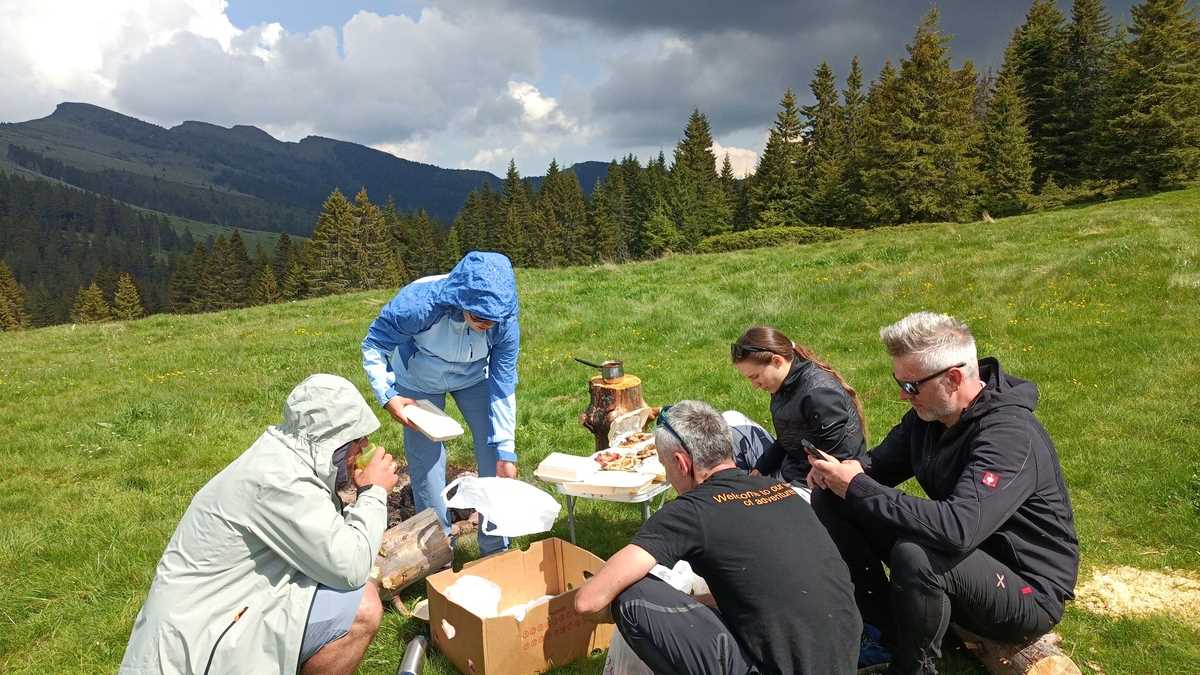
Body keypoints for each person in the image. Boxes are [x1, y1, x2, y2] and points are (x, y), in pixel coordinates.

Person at [808, 312, 1079, 675]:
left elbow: (958, 527)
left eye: (911, 386)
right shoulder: (928, 418)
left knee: (917, 556)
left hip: (1028, 592)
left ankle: (915, 668)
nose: (903, 396)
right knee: (835, 499)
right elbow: (875, 470)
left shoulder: (1009, 435)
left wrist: (857, 485)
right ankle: (882, 629)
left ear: (953, 378)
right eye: (898, 382)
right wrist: (838, 474)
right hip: (969, 556)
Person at [120, 374, 400, 675]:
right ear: (330, 440)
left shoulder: (285, 457)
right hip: (198, 642)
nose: (365, 447)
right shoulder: (279, 481)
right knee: (363, 608)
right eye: (356, 440)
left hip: (225, 607)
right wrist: (374, 493)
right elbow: (351, 568)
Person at [574, 400, 862, 675]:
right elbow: (759, 589)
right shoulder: (783, 491)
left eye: (665, 465)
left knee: (631, 595)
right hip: (840, 658)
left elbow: (588, 601)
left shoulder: (691, 511)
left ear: (681, 462)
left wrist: (608, 607)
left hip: (776, 668)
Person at [361, 251, 519, 556]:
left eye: (493, 319)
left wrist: (507, 449)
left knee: (495, 454)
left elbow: (502, 385)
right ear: (461, 301)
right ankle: (437, 552)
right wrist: (389, 396)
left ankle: (495, 548)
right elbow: (374, 345)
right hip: (419, 378)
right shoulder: (419, 305)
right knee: (427, 462)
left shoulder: (503, 319)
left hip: (475, 377)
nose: (487, 324)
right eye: (479, 317)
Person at [731, 326, 869, 491]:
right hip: (792, 468)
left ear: (777, 361)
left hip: (820, 487)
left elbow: (836, 463)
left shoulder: (818, 395)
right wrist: (760, 469)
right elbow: (787, 437)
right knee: (731, 419)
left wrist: (779, 491)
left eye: (755, 376)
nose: (754, 385)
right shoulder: (784, 383)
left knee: (753, 509)